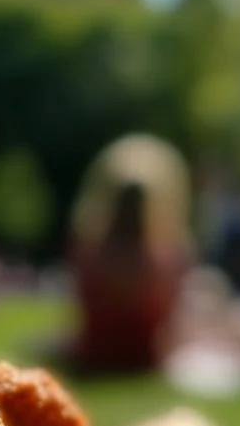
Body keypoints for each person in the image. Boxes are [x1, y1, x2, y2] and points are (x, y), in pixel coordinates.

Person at [68, 135, 193, 375]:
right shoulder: (165, 257)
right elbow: (171, 319)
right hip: (145, 358)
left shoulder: (89, 252)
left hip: (94, 353)